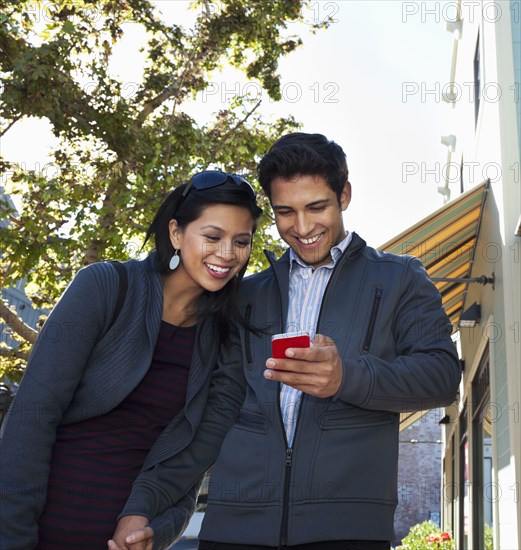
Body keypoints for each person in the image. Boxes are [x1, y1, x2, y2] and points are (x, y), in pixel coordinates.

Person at [110, 133, 462, 550]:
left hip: (347, 531)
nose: (303, 227)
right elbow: (210, 414)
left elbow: (442, 376)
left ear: (344, 195)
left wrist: (346, 377)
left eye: (316, 207)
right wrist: (142, 503)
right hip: (232, 531)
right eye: (285, 212)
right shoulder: (242, 294)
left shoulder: (401, 278)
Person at [0, 170, 263, 550]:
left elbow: (198, 452)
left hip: (131, 538)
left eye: (241, 241)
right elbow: (32, 416)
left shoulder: (229, 333)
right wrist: (13, 539)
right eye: (212, 236)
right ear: (176, 233)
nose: (227, 254)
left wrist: (156, 527)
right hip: (40, 527)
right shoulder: (103, 287)